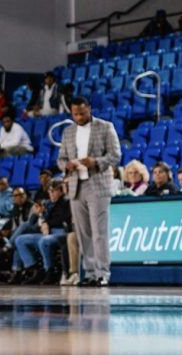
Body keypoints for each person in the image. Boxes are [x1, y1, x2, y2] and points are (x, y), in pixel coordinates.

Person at [59, 96, 120, 287]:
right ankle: (91, 272)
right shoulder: (68, 132)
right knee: (83, 233)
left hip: (98, 184)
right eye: (75, 114)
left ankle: (103, 273)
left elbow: (115, 155)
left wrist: (96, 162)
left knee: (99, 232)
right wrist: (67, 165)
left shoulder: (105, 127)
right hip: (76, 186)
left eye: (82, 113)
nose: (79, 117)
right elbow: (60, 158)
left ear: (90, 109)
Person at [13, 179, 71, 285]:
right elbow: (31, 223)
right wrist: (37, 214)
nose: (51, 194)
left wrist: (47, 223)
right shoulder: (48, 203)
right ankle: (34, 269)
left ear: (61, 191)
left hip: (60, 232)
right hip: (46, 233)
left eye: (53, 191)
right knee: (20, 240)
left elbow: (63, 219)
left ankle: (49, 270)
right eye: (49, 191)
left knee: (44, 241)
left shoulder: (66, 202)